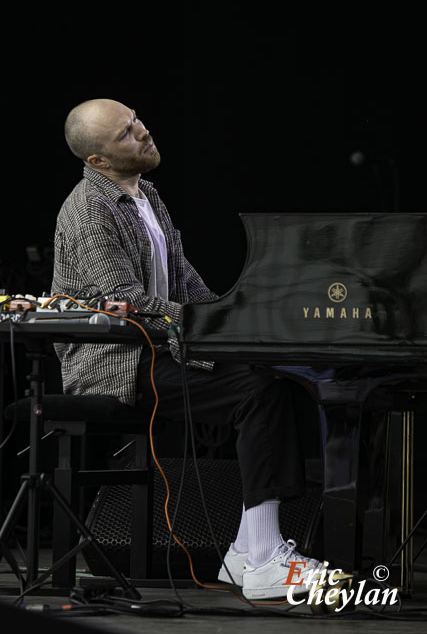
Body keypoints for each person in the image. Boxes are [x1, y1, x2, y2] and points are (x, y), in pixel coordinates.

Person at [51, 98, 323, 599]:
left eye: (137, 120)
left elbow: (185, 283)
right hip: (117, 365)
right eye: (127, 133)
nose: (144, 131)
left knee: (273, 377)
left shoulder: (148, 194)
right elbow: (127, 298)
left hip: (161, 350)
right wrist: (206, 322)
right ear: (98, 162)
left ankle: (246, 553)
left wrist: (234, 316)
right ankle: (261, 559)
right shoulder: (89, 209)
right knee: (256, 392)